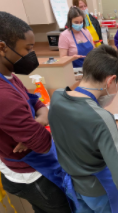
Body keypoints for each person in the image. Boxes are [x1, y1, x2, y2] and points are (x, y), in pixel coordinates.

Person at [48, 45, 118, 213]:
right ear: (110, 81)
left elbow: (77, 132)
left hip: (73, 186)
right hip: (99, 191)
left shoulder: (57, 98)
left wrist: (111, 137)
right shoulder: (102, 117)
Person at [0, 12, 71, 213]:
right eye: (28, 49)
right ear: (2, 47)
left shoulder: (9, 76)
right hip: (30, 173)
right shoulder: (3, 96)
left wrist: (37, 122)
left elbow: (34, 100)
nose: (32, 55)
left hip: (32, 164)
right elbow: (42, 143)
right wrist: (38, 125)